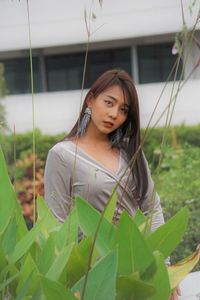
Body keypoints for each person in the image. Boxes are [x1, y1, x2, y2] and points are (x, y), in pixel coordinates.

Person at [44, 69, 180, 299]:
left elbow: (151, 208)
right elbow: (56, 222)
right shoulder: (63, 155)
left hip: (138, 269)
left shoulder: (130, 151)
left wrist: (164, 267)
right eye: (109, 102)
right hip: (93, 275)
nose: (114, 114)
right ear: (91, 99)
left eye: (123, 110)